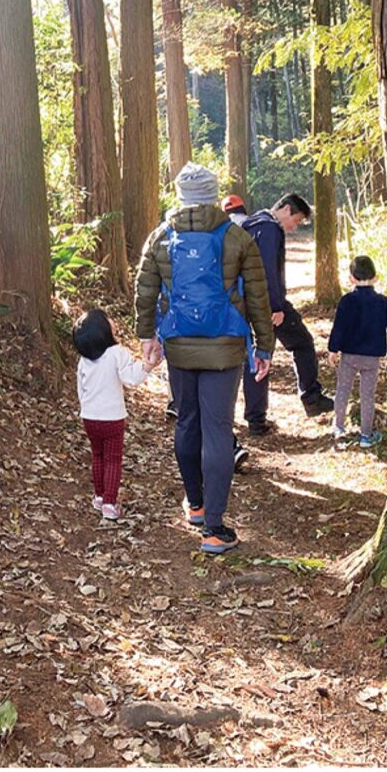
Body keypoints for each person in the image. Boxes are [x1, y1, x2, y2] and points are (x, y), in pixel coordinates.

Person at [135, 162, 274, 554]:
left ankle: (194, 505)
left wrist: (147, 336)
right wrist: (264, 346)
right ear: (213, 195)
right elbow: (258, 297)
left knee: (187, 422)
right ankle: (214, 528)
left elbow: (145, 291)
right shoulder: (236, 237)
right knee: (217, 429)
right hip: (226, 346)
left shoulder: (160, 237)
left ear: (180, 196)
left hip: (179, 344)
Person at [241, 193, 335, 433]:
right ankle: (311, 398)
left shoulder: (250, 224)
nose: (294, 228)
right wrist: (276, 306)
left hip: (245, 301)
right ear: (285, 209)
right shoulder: (271, 229)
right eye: (297, 220)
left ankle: (256, 419)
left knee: (258, 355)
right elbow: (268, 270)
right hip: (267, 303)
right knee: (300, 343)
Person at [74, 309, 152, 520]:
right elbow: (131, 378)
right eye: (108, 319)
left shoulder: (84, 361)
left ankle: (99, 496)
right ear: (103, 330)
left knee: (97, 456)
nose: (112, 322)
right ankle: (110, 503)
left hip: (89, 417)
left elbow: (81, 389)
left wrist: (85, 408)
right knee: (113, 460)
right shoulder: (117, 353)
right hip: (112, 418)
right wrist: (147, 366)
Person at [328, 254, 387, 446]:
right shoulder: (383, 302)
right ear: (375, 278)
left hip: (349, 355)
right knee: (367, 395)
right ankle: (365, 436)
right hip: (372, 357)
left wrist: (333, 350)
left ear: (351, 279)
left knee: (343, 390)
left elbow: (338, 327)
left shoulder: (346, 301)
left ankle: (339, 428)